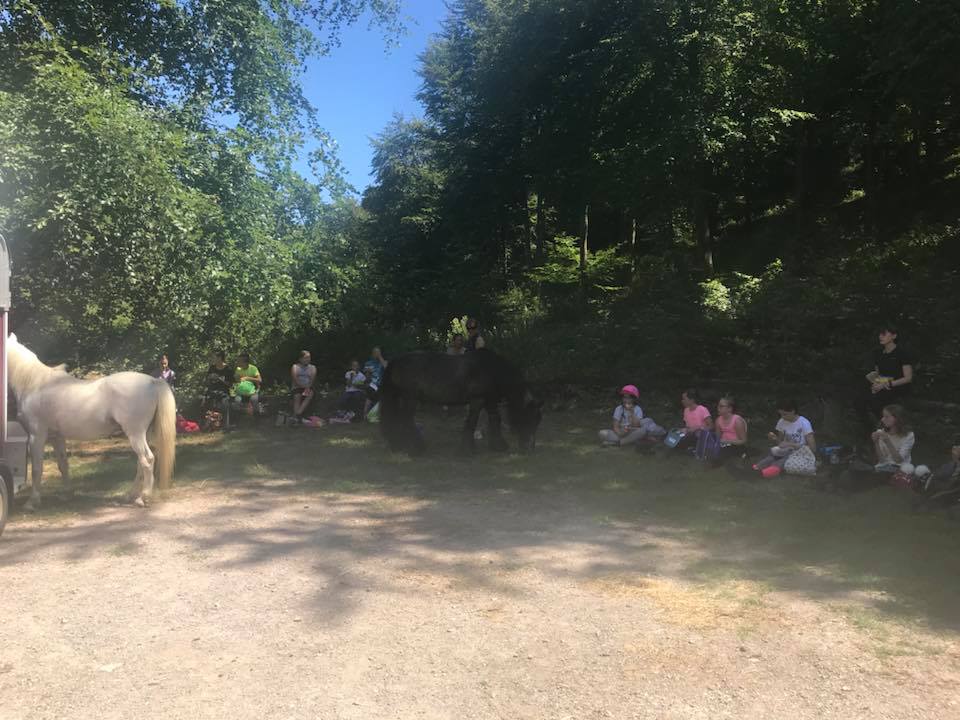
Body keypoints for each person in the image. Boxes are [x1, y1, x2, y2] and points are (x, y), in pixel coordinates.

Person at [860, 324, 914, 430]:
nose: (881, 336)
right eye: (880, 334)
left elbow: (908, 378)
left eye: (884, 334)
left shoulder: (902, 353)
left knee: (880, 403)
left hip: (898, 388)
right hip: (884, 386)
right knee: (860, 401)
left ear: (894, 336)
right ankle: (875, 429)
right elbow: (879, 375)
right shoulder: (878, 353)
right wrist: (876, 384)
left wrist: (886, 384)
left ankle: (889, 430)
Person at [753, 398, 816, 478]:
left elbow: (813, 448)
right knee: (771, 457)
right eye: (780, 414)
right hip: (784, 450)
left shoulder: (804, 423)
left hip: (799, 452)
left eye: (785, 414)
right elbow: (780, 443)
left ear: (793, 411)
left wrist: (790, 444)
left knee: (781, 460)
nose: (782, 417)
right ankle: (755, 469)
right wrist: (775, 438)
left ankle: (764, 474)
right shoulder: (781, 422)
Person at [915, 436, 960, 509]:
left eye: (956, 448)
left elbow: (949, 481)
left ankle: (923, 501)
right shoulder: (952, 463)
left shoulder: (955, 465)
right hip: (944, 485)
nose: (953, 449)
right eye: (954, 448)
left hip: (948, 488)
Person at [871, 404, 915, 473]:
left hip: (902, 469)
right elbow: (882, 460)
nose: (882, 419)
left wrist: (887, 441)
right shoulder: (882, 432)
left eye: (886, 417)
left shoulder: (909, 435)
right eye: (883, 416)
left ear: (897, 418)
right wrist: (876, 442)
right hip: (884, 468)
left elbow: (898, 460)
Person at [708, 395, 748, 467]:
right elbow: (718, 437)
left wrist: (727, 441)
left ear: (730, 409)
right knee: (710, 451)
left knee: (719, 456)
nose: (718, 408)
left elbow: (743, 441)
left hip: (736, 445)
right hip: (724, 444)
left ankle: (740, 455)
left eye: (721, 406)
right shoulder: (718, 420)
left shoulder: (737, 421)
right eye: (718, 406)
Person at [203, 350, 233, 428]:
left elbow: (230, 384)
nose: (213, 359)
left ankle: (226, 425)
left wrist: (220, 379)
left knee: (225, 403)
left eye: (214, 357)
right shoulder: (212, 368)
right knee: (203, 401)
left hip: (223, 392)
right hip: (212, 391)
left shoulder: (228, 369)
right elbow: (206, 381)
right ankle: (207, 425)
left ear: (220, 358)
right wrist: (210, 378)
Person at [289, 350, 317, 424]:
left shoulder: (312, 368)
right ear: (300, 359)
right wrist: (301, 386)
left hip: (308, 387)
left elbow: (312, 380)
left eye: (309, 357)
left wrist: (307, 387)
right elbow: (294, 378)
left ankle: (297, 414)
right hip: (297, 387)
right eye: (306, 357)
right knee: (297, 396)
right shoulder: (295, 367)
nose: (308, 359)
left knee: (309, 393)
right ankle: (297, 417)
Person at [233, 352, 262, 416]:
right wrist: (237, 378)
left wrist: (248, 378)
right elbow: (236, 380)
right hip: (241, 391)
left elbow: (259, 380)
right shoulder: (238, 369)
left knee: (254, 400)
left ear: (245, 362)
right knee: (237, 401)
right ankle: (238, 420)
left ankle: (257, 419)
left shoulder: (253, 368)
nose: (237, 362)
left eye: (239, 361)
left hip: (252, 391)